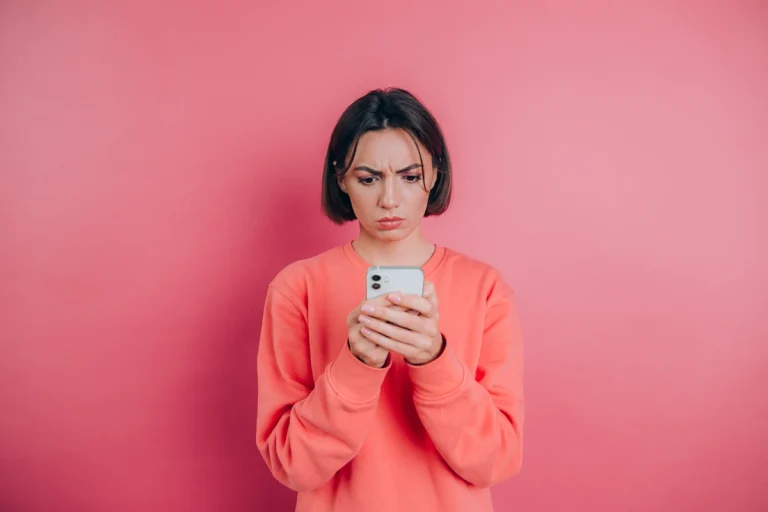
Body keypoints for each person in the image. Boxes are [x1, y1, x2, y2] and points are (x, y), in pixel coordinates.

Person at [255, 87, 524, 512]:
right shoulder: (296, 288)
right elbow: (292, 465)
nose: (389, 200)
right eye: (368, 179)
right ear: (341, 179)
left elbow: (497, 460)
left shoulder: (485, 288)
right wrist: (356, 366)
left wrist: (433, 359)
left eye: (410, 176)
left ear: (435, 173)